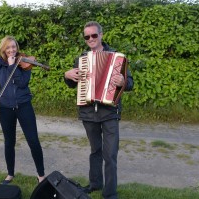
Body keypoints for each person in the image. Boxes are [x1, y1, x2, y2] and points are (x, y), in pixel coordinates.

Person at [64, 21, 134, 199]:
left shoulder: (117, 58)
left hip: (110, 112)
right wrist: (67, 76)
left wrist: (122, 82)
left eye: (94, 35)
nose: (90, 39)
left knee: (110, 154)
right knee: (95, 150)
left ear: (101, 35)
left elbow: (130, 83)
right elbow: (73, 84)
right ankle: (95, 184)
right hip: (88, 112)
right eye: (87, 37)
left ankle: (110, 193)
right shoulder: (81, 59)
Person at [0, 35, 45, 184]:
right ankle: (10, 173)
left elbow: (23, 83)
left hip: (24, 105)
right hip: (5, 108)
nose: (12, 50)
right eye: (8, 47)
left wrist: (12, 66)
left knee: (33, 141)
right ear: (3, 49)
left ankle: (41, 175)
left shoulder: (24, 62)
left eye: (14, 46)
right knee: (9, 141)